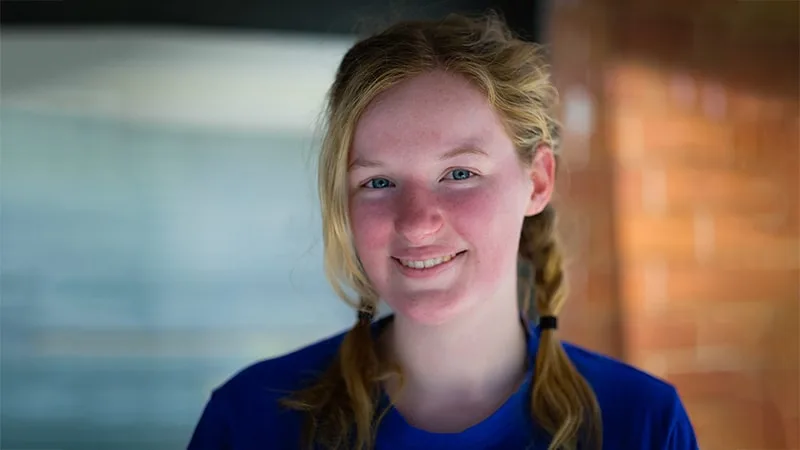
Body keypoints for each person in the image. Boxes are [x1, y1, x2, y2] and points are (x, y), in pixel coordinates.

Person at [187, 12, 699, 450]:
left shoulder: (642, 424)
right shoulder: (251, 420)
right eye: (379, 181)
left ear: (538, 181)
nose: (416, 220)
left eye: (460, 174)